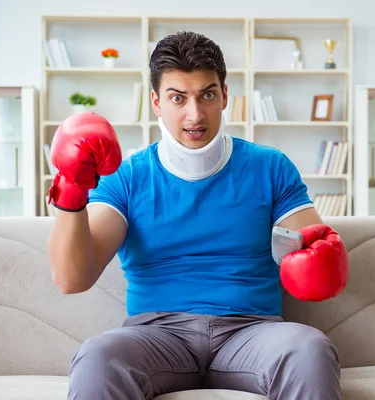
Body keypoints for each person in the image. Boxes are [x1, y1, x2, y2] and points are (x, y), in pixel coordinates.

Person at [47, 30, 349, 400]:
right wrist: (72, 188)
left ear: (225, 96)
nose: (195, 114)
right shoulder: (127, 177)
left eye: (207, 94)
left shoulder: (270, 167)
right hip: (157, 335)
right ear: (157, 103)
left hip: (252, 333)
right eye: (178, 98)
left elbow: (314, 251)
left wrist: (321, 262)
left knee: (309, 349)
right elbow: (70, 279)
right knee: (97, 357)